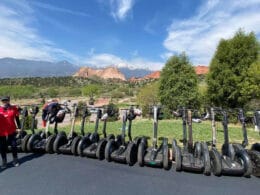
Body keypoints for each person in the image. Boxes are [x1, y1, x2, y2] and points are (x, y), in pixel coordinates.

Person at [0, 96, 20, 168]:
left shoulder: (13, 108)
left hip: (12, 130)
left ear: (9, 100)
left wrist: (19, 127)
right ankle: (4, 162)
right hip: (1, 131)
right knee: (2, 147)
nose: (5, 102)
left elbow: (17, 118)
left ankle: (15, 160)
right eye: (3, 101)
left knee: (14, 145)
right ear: (1, 101)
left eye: (6, 100)